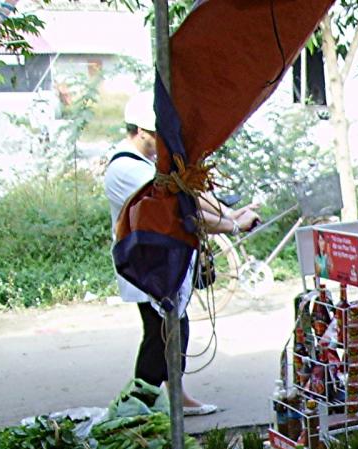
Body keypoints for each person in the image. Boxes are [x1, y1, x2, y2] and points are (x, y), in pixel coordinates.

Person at [104, 93, 259, 415]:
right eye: (158, 137)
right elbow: (180, 205)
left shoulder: (145, 164)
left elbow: (186, 194)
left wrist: (230, 216)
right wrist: (231, 224)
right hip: (146, 266)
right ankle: (138, 408)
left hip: (162, 263)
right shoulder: (126, 168)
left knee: (173, 331)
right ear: (142, 133)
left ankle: (175, 398)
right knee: (159, 338)